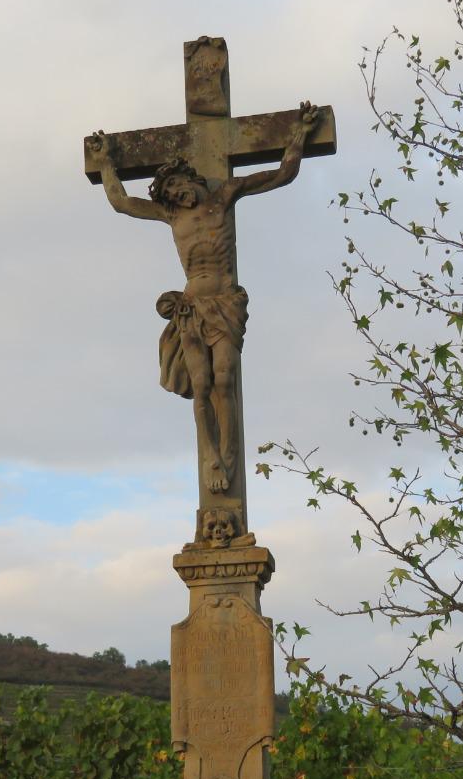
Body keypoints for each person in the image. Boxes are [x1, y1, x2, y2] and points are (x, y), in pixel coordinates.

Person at [90, 101, 319, 494]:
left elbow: (283, 174)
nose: (181, 198)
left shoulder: (224, 195)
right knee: (202, 385)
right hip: (193, 308)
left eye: (183, 189)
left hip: (226, 303)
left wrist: (297, 135)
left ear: (192, 180)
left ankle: (228, 456)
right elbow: (121, 203)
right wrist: (106, 162)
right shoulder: (172, 217)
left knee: (225, 380)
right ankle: (211, 455)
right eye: (174, 196)